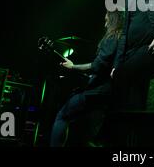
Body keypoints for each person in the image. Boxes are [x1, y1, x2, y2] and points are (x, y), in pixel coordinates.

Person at [49, 10, 123, 147]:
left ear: (113, 20)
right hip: (108, 92)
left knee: (62, 116)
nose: (105, 24)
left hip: (98, 90)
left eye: (107, 20)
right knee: (89, 133)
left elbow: (97, 65)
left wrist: (73, 67)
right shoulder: (122, 38)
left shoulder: (112, 37)